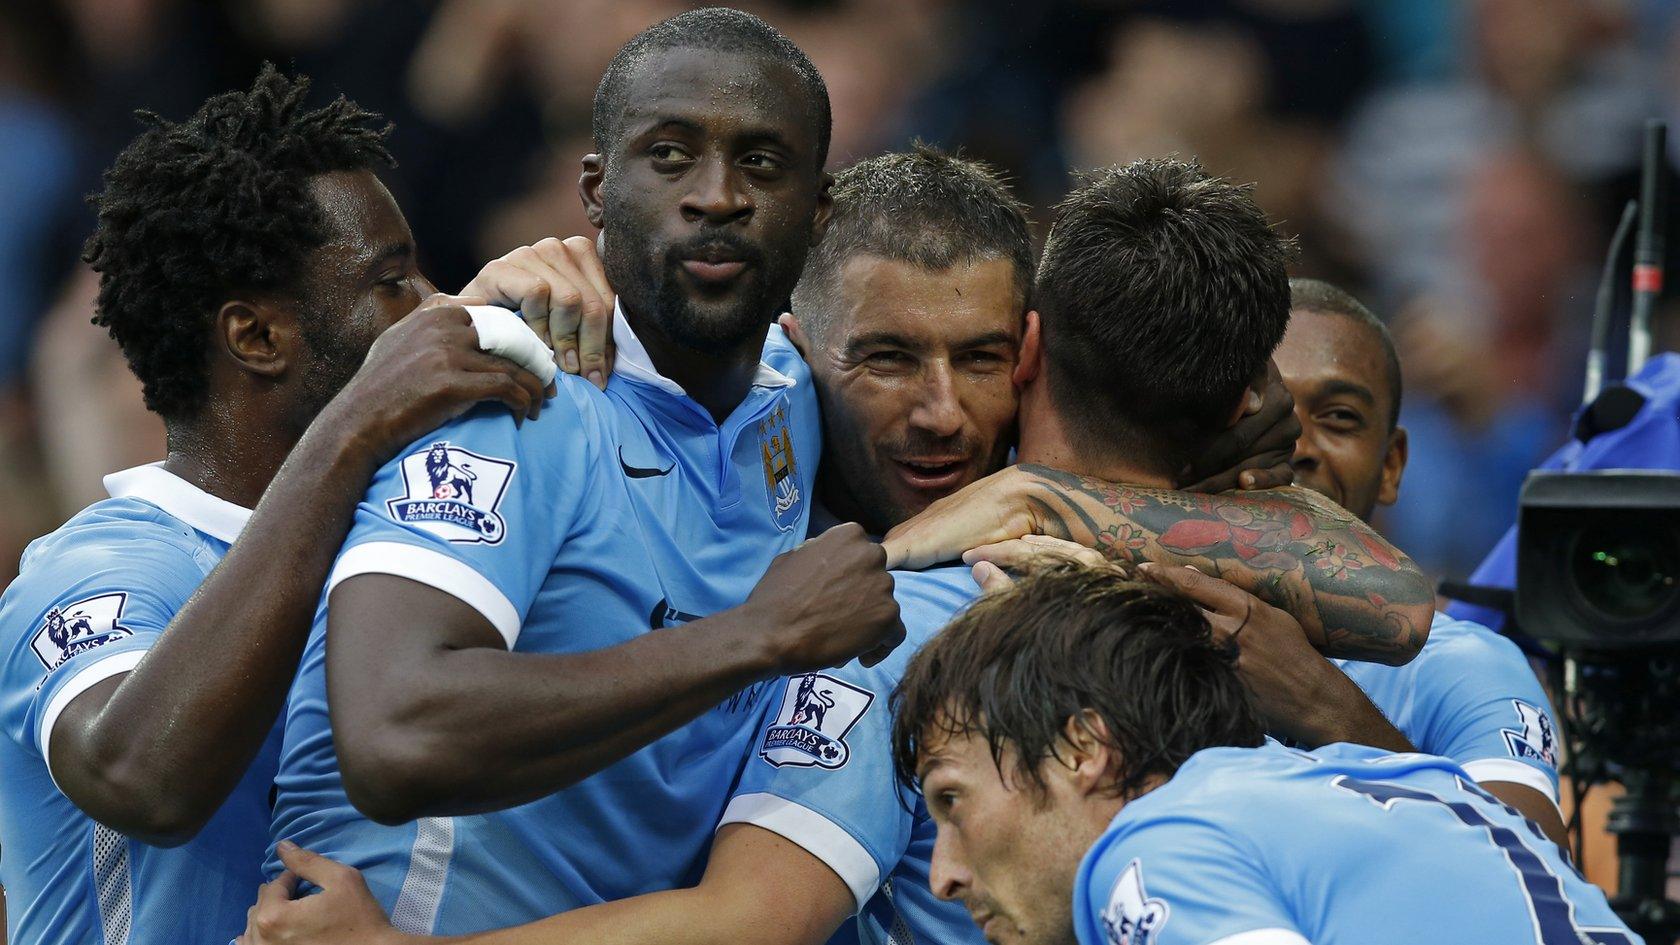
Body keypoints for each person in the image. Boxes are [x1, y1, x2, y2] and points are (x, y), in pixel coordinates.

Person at [240, 156, 1432, 945]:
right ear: (795, 346)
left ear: (1026, 355)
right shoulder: (746, 404)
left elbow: (754, 916)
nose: (939, 413)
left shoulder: (916, 614)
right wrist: (505, 295)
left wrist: (1034, 494)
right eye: (887, 360)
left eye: (974, 360)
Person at [265, 8, 904, 936]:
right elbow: (394, 737)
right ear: (597, 193)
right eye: (672, 156)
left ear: (821, 208)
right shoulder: (516, 393)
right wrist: (758, 635)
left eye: (762, 162)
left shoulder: (794, 394)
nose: (716, 196)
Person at [0, 65, 567, 945]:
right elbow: (140, 777)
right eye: (393, 280)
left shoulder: (408, 559)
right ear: (257, 336)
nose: (436, 309)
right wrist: (356, 425)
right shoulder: (98, 571)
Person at [892, 561, 1641, 945]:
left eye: (952, 799)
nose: (943, 874)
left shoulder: (1161, 845)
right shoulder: (1400, 782)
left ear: (1083, 747)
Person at [1259, 277, 1566, 841]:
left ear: (1392, 465)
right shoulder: (1135, 629)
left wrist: (1325, 707)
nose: (1298, 447)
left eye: (1339, 418)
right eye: (1266, 409)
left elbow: (1531, 893)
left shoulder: (1467, 669)